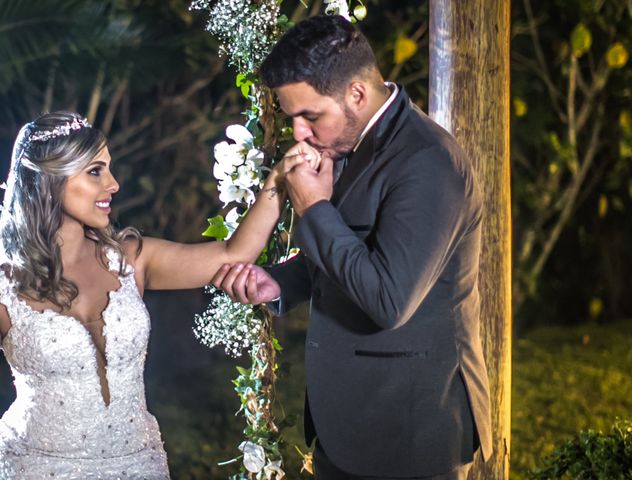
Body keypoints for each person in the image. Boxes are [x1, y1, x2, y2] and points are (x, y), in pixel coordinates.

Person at [212, 14, 493, 480]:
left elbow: (388, 298)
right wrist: (280, 282)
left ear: (357, 94)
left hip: (409, 428)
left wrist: (314, 208)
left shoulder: (429, 163)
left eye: (310, 115)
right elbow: (358, 249)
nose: (299, 131)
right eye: (292, 117)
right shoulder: (347, 142)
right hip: (344, 426)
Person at [0, 111, 316, 479]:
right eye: (95, 171)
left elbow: (233, 255)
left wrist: (278, 179)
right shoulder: (7, 284)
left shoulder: (132, 258)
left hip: (139, 464)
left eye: (110, 168)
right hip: (37, 468)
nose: (114, 184)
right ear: (49, 181)